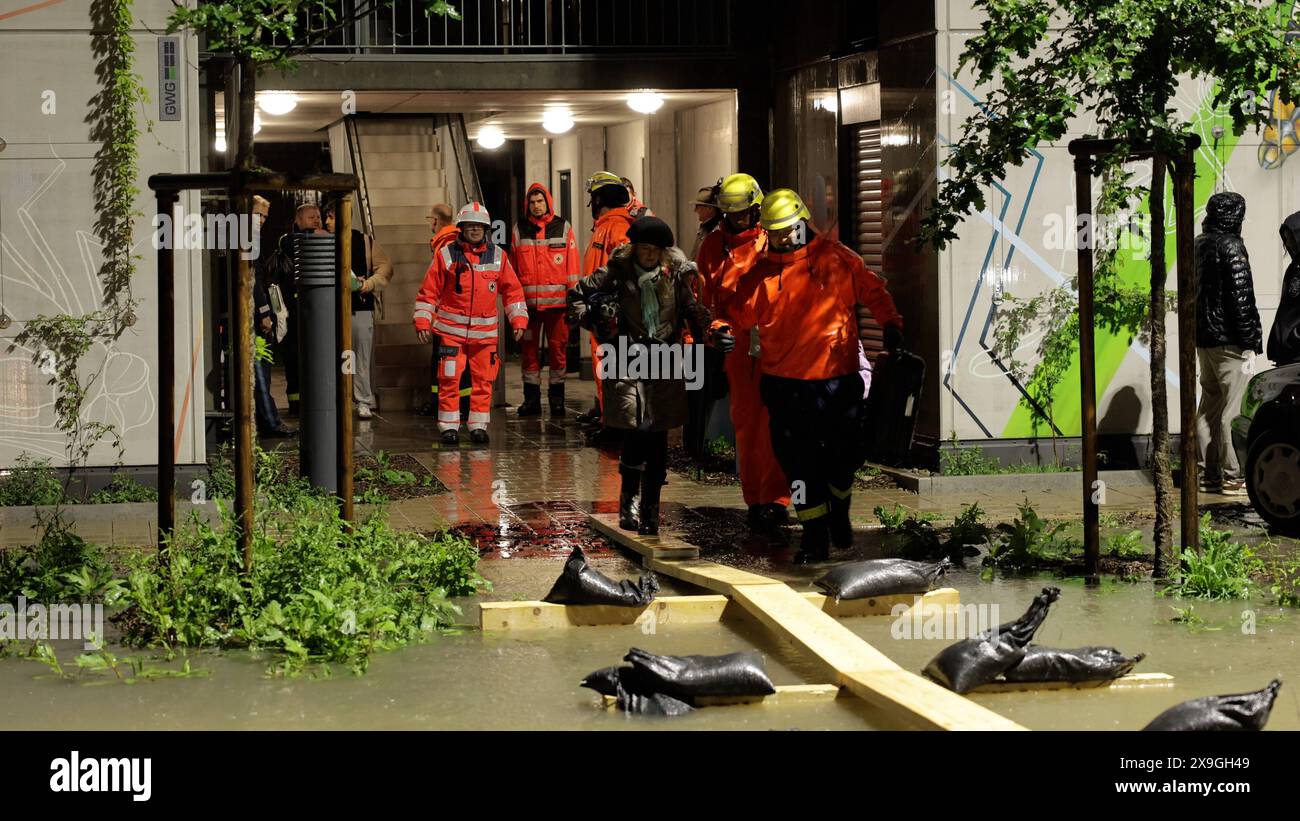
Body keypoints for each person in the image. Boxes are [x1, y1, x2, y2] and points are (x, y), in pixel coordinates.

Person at [738, 190, 903, 564]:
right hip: (784, 386)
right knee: (797, 466)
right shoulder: (761, 272)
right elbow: (737, 314)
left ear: (802, 221)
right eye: (773, 231)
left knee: (843, 460)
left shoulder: (838, 260)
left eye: (786, 230)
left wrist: (891, 324)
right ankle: (814, 538)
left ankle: (839, 509)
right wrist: (717, 327)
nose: (780, 238)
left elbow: (875, 293)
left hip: (836, 381)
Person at [567, 217, 710, 535]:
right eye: (643, 249)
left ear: (663, 251)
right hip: (627, 356)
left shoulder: (675, 274)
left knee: (657, 438)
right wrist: (594, 321)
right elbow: (577, 295)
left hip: (665, 360)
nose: (648, 255)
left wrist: (708, 328)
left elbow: (691, 308)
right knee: (634, 432)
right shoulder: (617, 270)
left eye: (654, 250)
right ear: (634, 248)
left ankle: (650, 512)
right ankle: (628, 506)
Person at [697, 173, 790, 531]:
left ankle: (779, 501)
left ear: (756, 208)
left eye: (744, 213)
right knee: (747, 427)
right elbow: (708, 305)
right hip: (738, 347)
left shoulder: (774, 239)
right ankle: (755, 501)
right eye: (731, 214)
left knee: (779, 424)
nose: (738, 220)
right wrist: (716, 332)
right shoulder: (712, 247)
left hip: (777, 342)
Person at [414, 202, 528, 445]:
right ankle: (448, 426)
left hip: (484, 336)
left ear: (486, 229)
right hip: (450, 334)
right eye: (471, 226)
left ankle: (477, 426)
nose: (475, 230)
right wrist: (423, 321)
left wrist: (518, 319)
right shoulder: (446, 254)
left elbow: (513, 291)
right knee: (449, 379)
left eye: (480, 226)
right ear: (462, 228)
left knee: (483, 381)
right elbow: (428, 292)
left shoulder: (499, 256)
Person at [1195, 191, 1263, 495]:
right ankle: (1233, 474)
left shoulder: (1199, 243)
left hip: (1204, 339)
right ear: (1236, 216)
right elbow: (1241, 297)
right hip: (1230, 341)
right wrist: (1251, 340)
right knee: (1232, 410)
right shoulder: (1233, 246)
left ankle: (1208, 474)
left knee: (1208, 406)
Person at [511, 182, 580, 417]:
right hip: (529, 308)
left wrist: (573, 302)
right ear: (527, 205)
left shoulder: (563, 227)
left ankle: (557, 400)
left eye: (540, 201)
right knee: (529, 353)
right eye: (532, 202)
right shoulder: (518, 229)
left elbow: (572, 268)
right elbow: (512, 269)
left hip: (558, 307)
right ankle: (531, 401)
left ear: (548, 202)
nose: (536, 206)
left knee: (558, 352)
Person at [323, 201, 393, 420]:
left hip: (359, 307)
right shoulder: (323, 241)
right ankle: (339, 399)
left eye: (332, 216)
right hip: (331, 307)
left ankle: (363, 399)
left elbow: (385, 268)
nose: (327, 222)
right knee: (338, 356)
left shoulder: (363, 240)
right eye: (326, 217)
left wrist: (368, 284)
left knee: (360, 356)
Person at [577, 171, 635, 428]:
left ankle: (617, 425)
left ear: (599, 199)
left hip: (612, 315)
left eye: (593, 198)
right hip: (601, 313)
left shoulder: (618, 227)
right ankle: (608, 419)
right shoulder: (604, 227)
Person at [267, 203, 327, 416]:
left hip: (313, 313)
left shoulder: (322, 241)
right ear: (298, 221)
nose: (317, 221)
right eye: (311, 217)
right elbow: (295, 244)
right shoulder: (287, 241)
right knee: (294, 361)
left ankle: (315, 402)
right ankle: (295, 405)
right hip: (292, 314)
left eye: (318, 217)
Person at [420, 203, 472, 418]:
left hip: (448, 316)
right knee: (456, 361)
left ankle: (445, 404)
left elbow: (439, 285)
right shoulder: (457, 241)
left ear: (435, 221)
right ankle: (460, 403)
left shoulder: (445, 245)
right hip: (460, 314)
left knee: (445, 361)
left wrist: (431, 314)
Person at [251, 195, 293, 438]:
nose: (262, 221)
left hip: (257, 311)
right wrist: (264, 312)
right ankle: (271, 422)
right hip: (255, 315)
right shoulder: (246, 240)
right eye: (258, 215)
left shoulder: (250, 239)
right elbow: (252, 281)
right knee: (259, 369)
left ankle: (267, 420)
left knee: (262, 369)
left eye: (265, 217)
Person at [1268, 211, 1300, 366]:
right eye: (1285, 238)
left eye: (1291, 238)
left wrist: (1294, 338)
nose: (1287, 244)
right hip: (1287, 354)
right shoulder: (1293, 268)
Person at [689, 182, 723, 261]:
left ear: (709, 209)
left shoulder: (717, 232)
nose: (695, 210)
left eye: (698, 206)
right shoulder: (705, 228)